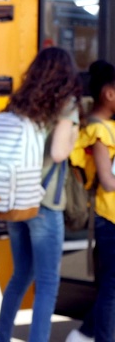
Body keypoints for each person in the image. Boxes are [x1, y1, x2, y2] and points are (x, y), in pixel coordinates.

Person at [0, 47, 82, 342]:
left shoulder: (19, 102)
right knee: (47, 282)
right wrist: (73, 135)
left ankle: (2, 337)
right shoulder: (66, 104)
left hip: (15, 199)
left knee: (21, 275)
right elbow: (58, 153)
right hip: (44, 202)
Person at [66, 59, 115, 342]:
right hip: (109, 217)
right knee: (110, 287)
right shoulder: (99, 130)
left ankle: (84, 334)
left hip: (108, 217)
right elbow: (107, 181)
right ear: (108, 93)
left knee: (111, 285)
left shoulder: (103, 126)